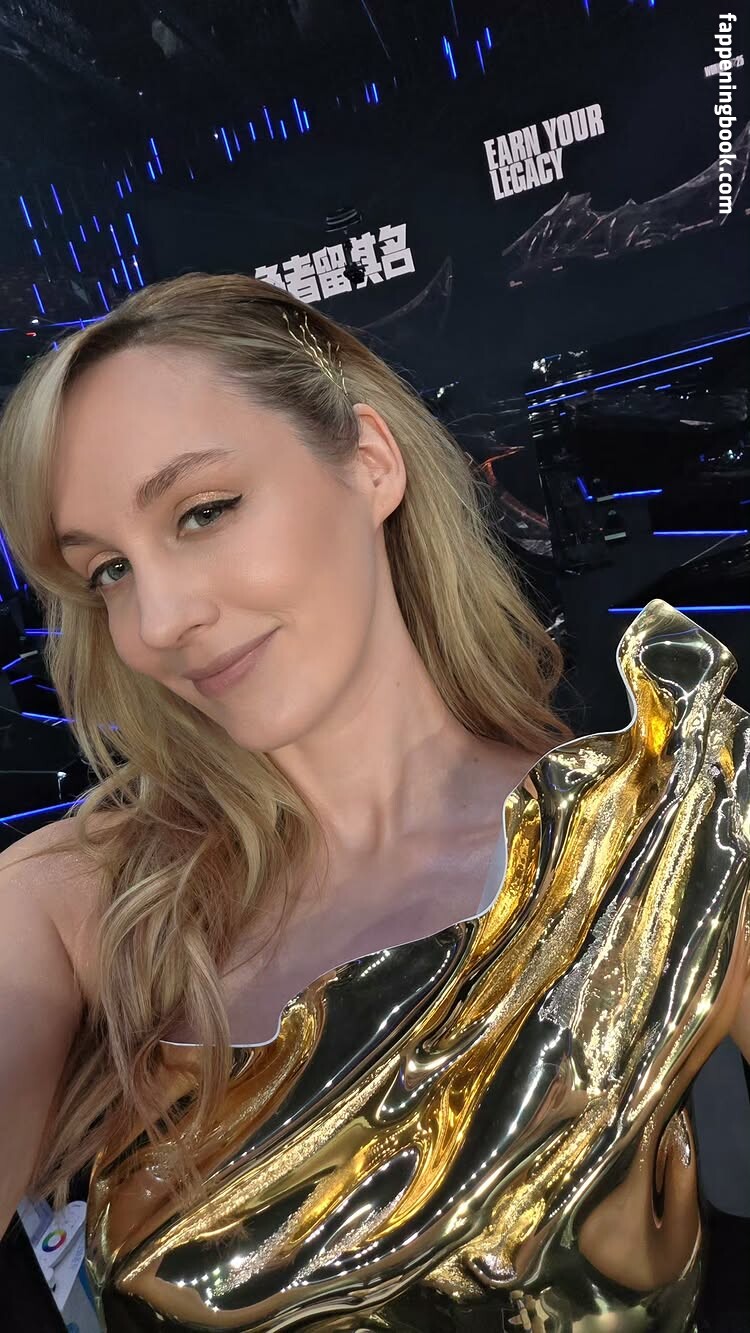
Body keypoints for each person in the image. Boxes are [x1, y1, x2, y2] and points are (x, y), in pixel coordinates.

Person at [0, 272, 747, 1333]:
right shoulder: (81, 903)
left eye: (204, 512)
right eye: (110, 571)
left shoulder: (672, 830)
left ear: (370, 461)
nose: (158, 620)